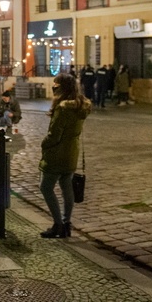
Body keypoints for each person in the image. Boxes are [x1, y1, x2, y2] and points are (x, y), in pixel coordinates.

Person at [39, 72, 91, 238]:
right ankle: (66, 223)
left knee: (46, 187)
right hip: (71, 152)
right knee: (66, 186)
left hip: (57, 153)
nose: (53, 86)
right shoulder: (80, 105)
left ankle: (58, 224)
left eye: (55, 84)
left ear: (61, 88)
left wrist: (43, 144)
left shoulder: (62, 108)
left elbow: (54, 135)